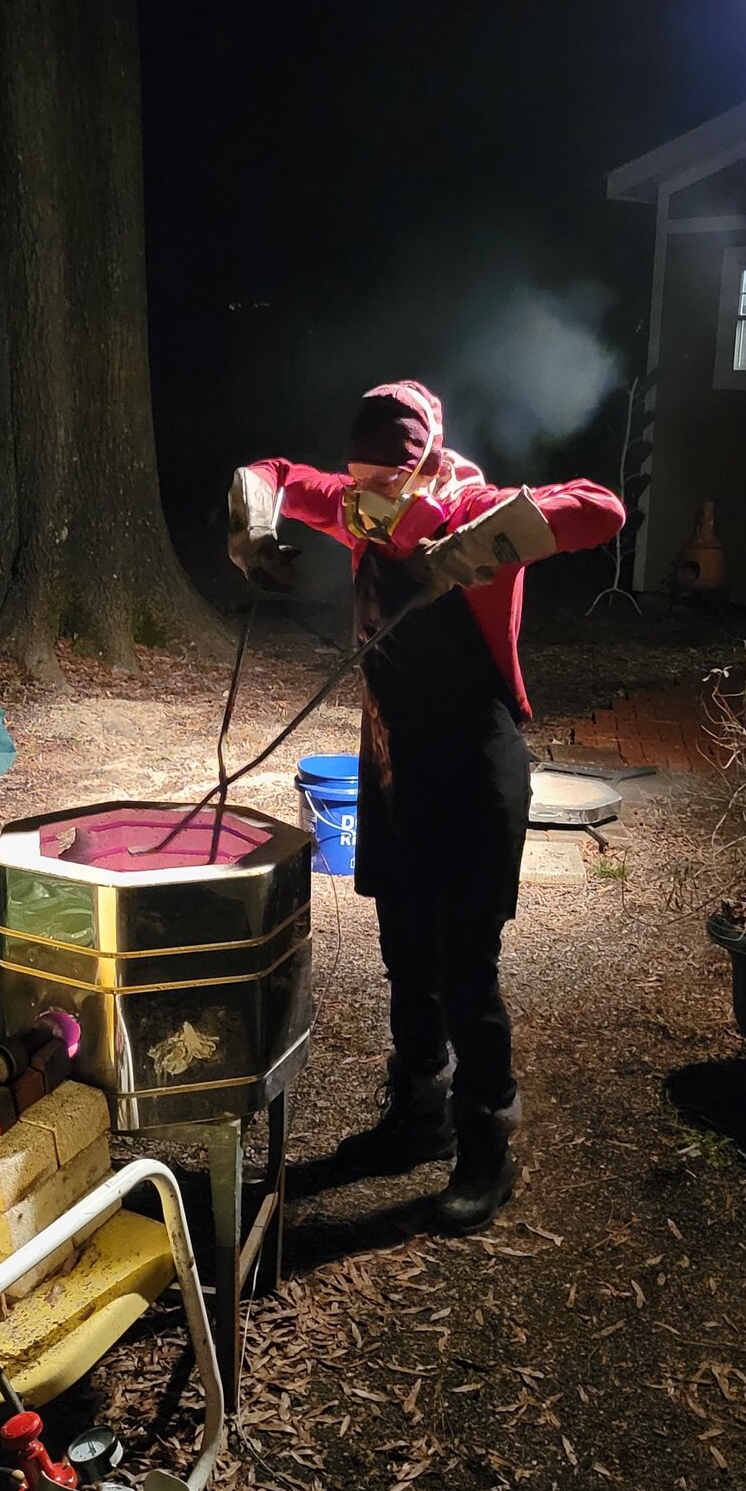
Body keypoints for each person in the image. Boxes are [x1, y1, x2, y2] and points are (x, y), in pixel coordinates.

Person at [228, 380, 625, 1232]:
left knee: (464, 966)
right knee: (405, 951)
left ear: (425, 467)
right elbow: (269, 473)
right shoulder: (359, 507)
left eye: (380, 489)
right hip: (394, 760)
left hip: (475, 766)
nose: (361, 507)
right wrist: (252, 527)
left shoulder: (471, 505)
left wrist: (482, 537)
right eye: (356, 485)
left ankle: (488, 1146)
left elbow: (602, 509)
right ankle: (418, 1117)